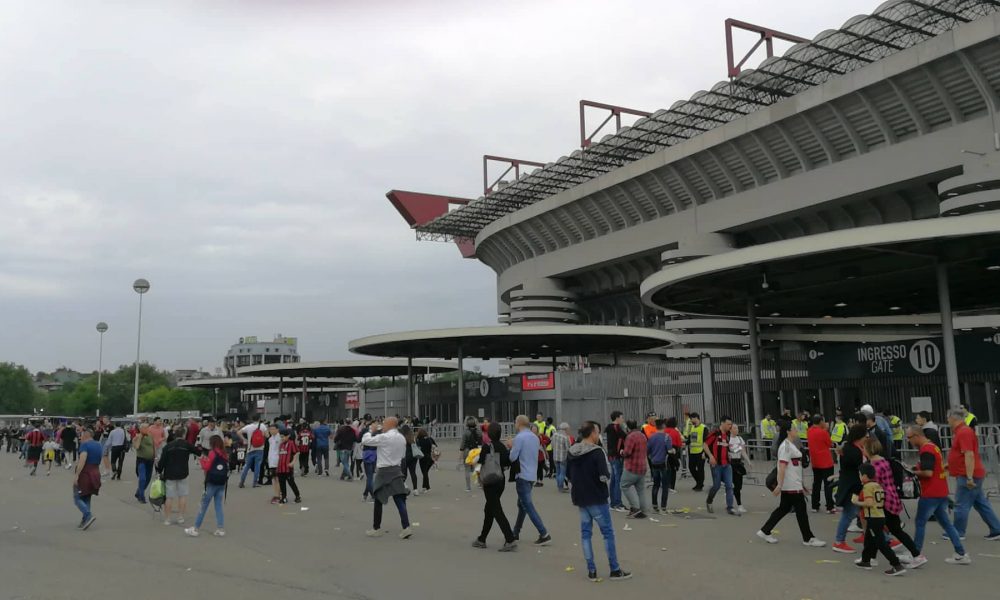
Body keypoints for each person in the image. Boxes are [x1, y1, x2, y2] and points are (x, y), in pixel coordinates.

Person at [567, 421, 632, 582]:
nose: (599, 435)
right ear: (592, 434)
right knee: (607, 533)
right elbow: (605, 475)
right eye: (597, 432)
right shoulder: (597, 452)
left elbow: (569, 475)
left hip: (580, 498)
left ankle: (591, 570)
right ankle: (614, 569)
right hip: (597, 497)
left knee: (586, 534)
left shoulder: (572, 451)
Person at [907, 426, 970, 565]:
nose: (908, 441)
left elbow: (928, 473)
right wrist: (918, 468)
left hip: (931, 492)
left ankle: (916, 554)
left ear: (917, 435)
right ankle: (961, 553)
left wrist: (913, 472)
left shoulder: (926, 449)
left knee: (920, 522)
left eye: (909, 437)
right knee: (946, 523)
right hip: (941, 490)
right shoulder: (933, 447)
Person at [756, 421, 825, 547]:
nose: (796, 430)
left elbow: (793, 467)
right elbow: (782, 467)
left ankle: (765, 530)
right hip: (791, 485)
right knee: (800, 510)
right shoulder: (786, 447)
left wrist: (801, 484)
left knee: (784, 508)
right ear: (788, 431)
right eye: (793, 428)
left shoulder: (789, 445)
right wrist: (779, 485)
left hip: (794, 483)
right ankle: (808, 537)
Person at [863, 437, 920, 564]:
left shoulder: (872, 466)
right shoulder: (884, 461)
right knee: (892, 530)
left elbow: (873, 485)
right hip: (892, 497)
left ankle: (875, 559)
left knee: (875, 531)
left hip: (882, 501)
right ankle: (869, 558)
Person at [947, 408, 1000, 541]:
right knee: (981, 503)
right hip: (971, 472)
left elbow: (969, 454)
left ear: (953, 418)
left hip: (967, 474)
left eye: (948, 418)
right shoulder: (963, 431)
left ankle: (958, 532)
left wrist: (969, 477)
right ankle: (996, 529)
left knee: (961, 504)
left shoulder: (963, 432)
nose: (947, 421)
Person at [362, 417, 413, 539]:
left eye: (384, 424)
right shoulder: (401, 438)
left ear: (390, 424)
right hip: (396, 469)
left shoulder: (385, 437)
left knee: (378, 498)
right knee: (399, 498)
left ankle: (376, 528)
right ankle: (406, 527)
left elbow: (366, 441)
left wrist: (371, 430)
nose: (382, 426)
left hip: (384, 470)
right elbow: (402, 455)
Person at [852, 463, 906, 575]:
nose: (859, 477)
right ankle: (865, 560)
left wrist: (856, 501)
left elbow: (869, 502)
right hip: (880, 515)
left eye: (860, 475)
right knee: (868, 539)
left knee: (881, 543)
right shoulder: (878, 485)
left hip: (873, 517)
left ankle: (896, 564)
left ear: (865, 476)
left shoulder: (867, 487)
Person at [472, 422, 516, 551]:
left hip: (489, 482)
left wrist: (477, 476)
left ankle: (510, 539)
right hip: (500, 480)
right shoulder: (502, 447)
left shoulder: (487, 447)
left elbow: (480, 463)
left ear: (489, 434)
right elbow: (507, 462)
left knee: (496, 510)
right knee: (489, 509)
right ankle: (482, 538)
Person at [509, 414, 551, 545]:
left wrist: (510, 446)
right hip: (532, 474)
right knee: (522, 505)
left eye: (515, 422)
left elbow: (512, 457)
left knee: (527, 505)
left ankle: (543, 532)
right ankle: (515, 532)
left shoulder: (519, 438)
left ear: (519, 423)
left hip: (522, 475)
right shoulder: (534, 437)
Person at [832, 423, 867, 553]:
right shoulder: (853, 450)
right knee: (850, 513)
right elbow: (859, 467)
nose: (866, 438)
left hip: (852, 484)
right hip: (852, 486)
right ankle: (839, 541)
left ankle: (874, 536)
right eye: (865, 436)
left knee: (863, 512)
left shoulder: (850, 447)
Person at [185, 435, 228, 538]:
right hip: (221, 482)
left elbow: (206, 467)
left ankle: (196, 528)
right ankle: (220, 528)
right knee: (218, 506)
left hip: (211, 482)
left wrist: (202, 459)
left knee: (203, 506)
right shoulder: (224, 453)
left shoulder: (212, 453)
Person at [157, 426, 199, 526]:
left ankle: (167, 519)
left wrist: (159, 470)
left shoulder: (168, 446)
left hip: (170, 473)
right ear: (184, 434)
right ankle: (180, 517)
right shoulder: (187, 445)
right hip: (183, 472)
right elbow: (198, 452)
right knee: (182, 495)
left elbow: (162, 461)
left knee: (169, 497)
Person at [705, 416, 737, 516]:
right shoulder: (715, 433)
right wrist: (710, 456)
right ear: (722, 423)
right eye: (728, 424)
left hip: (726, 464)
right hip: (716, 464)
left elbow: (726, 447)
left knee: (729, 485)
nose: (730, 426)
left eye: (730, 424)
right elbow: (705, 445)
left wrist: (729, 454)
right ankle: (709, 500)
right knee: (716, 486)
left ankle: (730, 507)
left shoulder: (727, 435)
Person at [620, 420, 651, 519]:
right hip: (642, 467)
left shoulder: (630, 437)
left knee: (624, 485)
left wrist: (622, 452)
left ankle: (635, 508)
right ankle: (643, 509)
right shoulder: (642, 435)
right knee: (640, 490)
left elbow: (627, 452)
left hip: (632, 467)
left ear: (628, 428)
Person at [73, 429, 102, 530]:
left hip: (85, 472)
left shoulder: (85, 445)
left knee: (77, 498)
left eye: (81, 436)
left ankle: (88, 515)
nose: (80, 438)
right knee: (87, 497)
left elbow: (82, 459)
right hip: (96, 472)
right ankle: (85, 520)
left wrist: (77, 475)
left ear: (85, 436)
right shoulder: (99, 445)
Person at [807, 415, 836, 514]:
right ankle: (829, 506)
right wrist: (826, 429)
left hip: (815, 462)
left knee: (816, 484)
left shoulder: (809, 431)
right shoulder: (823, 432)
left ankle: (815, 505)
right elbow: (830, 444)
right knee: (828, 484)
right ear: (820, 422)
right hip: (826, 462)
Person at [604, 411, 627, 511]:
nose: (623, 419)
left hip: (611, 455)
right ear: (617, 418)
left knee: (613, 479)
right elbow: (625, 436)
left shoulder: (609, 428)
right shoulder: (616, 428)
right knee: (618, 480)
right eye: (621, 417)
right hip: (616, 456)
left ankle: (613, 503)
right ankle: (618, 503)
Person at [647, 418, 671, 512]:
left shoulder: (651, 437)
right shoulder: (667, 437)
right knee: (665, 485)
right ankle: (663, 506)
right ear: (664, 426)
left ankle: (654, 505)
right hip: (664, 463)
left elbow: (647, 450)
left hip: (654, 463)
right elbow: (669, 450)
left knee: (656, 484)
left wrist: (651, 457)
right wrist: (672, 450)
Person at [238, 419, 268, 488]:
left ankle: (242, 482)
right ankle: (255, 482)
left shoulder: (249, 426)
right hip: (260, 449)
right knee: (257, 466)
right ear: (259, 419)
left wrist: (244, 439)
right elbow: (267, 435)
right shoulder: (263, 426)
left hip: (250, 449)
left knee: (247, 466)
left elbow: (239, 432)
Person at [276, 428, 302, 504]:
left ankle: (297, 496)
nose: (282, 438)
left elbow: (297, 453)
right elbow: (280, 455)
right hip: (280, 468)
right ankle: (284, 497)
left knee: (291, 482)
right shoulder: (281, 445)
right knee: (282, 483)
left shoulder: (291, 443)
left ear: (288, 436)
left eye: (283, 436)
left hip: (288, 468)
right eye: (281, 437)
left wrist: (293, 462)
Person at [729, 423, 751, 514]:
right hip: (730, 464)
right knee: (733, 484)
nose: (736, 430)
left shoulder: (740, 439)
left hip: (738, 463)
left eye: (737, 428)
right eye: (734, 428)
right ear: (730, 430)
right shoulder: (728, 439)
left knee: (739, 485)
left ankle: (734, 493)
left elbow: (743, 451)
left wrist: (748, 461)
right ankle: (739, 505)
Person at [132, 423, 155, 504]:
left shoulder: (150, 436)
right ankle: (142, 496)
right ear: (140, 429)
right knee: (142, 478)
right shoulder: (137, 437)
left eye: (147, 428)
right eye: (145, 428)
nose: (147, 430)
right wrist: (140, 437)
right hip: (141, 460)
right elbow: (137, 447)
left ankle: (139, 492)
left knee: (148, 479)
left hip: (150, 460)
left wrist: (154, 456)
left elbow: (153, 447)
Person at [686, 412, 706, 491]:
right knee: (691, 468)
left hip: (701, 452)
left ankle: (700, 484)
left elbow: (706, 441)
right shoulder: (693, 427)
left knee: (700, 469)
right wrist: (684, 442)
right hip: (692, 452)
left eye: (691, 419)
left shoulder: (704, 427)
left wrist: (705, 452)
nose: (691, 420)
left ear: (695, 418)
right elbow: (691, 439)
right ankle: (699, 482)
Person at [460, 417, 480, 493]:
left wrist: (461, 454)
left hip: (467, 451)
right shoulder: (478, 431)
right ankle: (479, 483)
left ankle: (468, 487)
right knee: (477, 467)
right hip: (476, 451)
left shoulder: (465, 432)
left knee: (467, 469)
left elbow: (462, 444)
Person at [551, 422, 571, 493]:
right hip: (563, 457)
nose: (569, 430)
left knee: (558, 472)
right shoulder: (565, 437)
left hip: (555, 456)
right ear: (565, 429)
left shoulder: (554, 435)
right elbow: (568, 448)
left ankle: (559, 486)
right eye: (568, 429)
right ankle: (561, 487)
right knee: (562, 473)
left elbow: (552, 445)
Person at [415, 428, 437, 493]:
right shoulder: (429, 439)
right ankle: (424, 487)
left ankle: (428, 487)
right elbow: (435, 446)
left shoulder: (418, 440)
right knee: (425, 472)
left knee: (424, 473)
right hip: (430, 458)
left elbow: (417, 448)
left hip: (422, 458)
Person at [664, 417, 682, 492]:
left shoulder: (664, 431)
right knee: (673, 469)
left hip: (664, 451)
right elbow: (679, 444)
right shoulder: (675, 432)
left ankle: (666, 485)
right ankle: (672, 486)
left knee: (666, 469)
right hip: (673, 450)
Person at [266, 423, 282, 504]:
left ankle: (278, 495)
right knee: (273, 478)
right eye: (270, 429)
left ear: (277, 429)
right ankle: (276, 494)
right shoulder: (270, 439)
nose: (271, 431)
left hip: (277, 460)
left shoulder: (280, 438)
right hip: (271, 461)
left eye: (273, 429)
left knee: (277, 479)